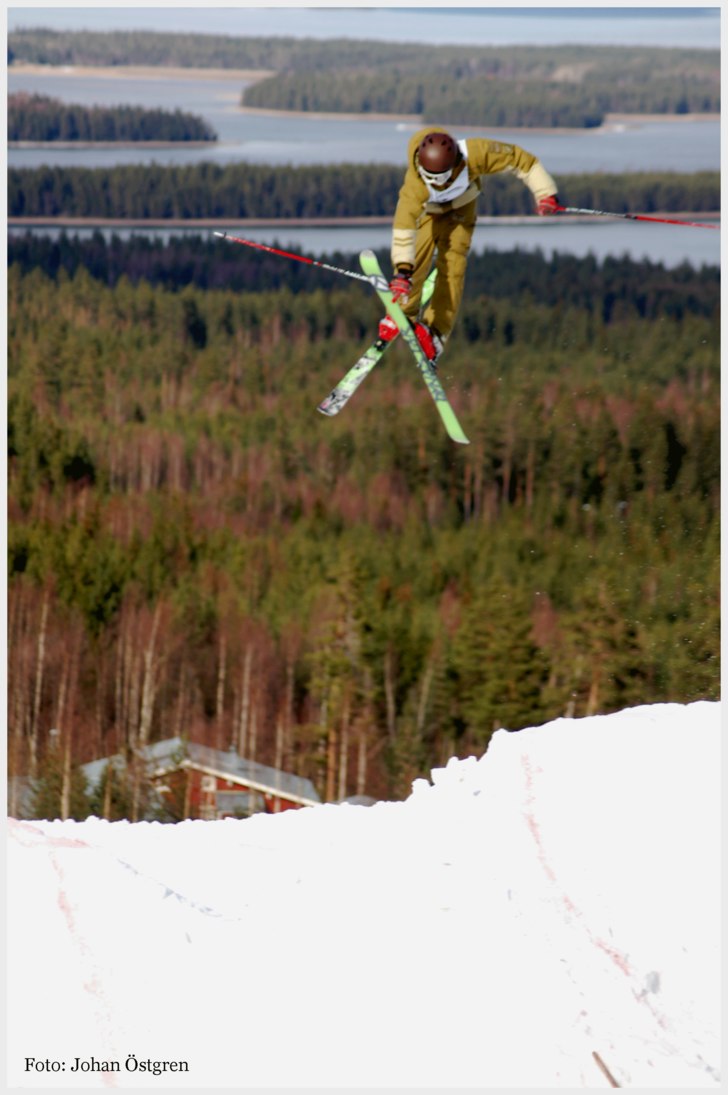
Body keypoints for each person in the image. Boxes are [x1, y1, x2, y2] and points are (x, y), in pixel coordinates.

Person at [380, 126, 561, 364]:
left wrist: (545, 193)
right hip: (428, 212)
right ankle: (403, 313)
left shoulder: (475, 154)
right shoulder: (415, 185)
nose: (433, 182)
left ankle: (435, 334)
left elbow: (520, 159)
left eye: (439, 178)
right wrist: (402, 270)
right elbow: (404, 227)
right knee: (417, 255)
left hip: (460, 210)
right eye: (428, 177)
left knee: (452, 267)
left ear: (454, 164)